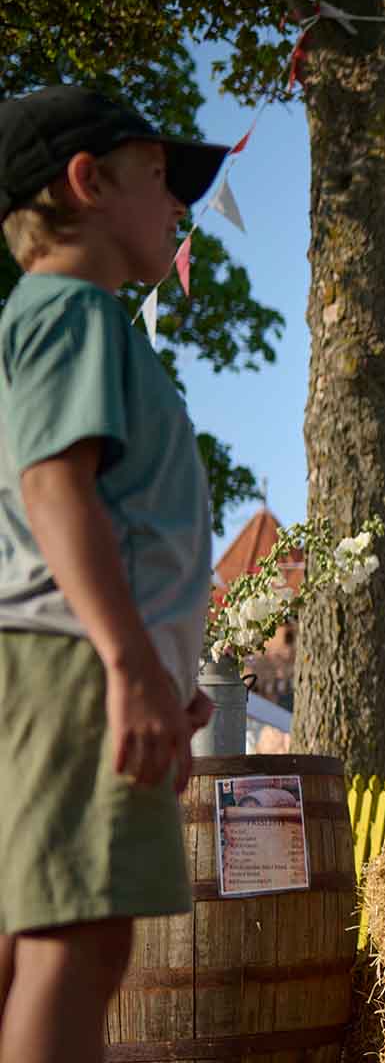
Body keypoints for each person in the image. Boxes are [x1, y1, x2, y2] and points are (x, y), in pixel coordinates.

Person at [0, 85, 227, 1062]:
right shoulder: (76, 315)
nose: (179, 204)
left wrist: (163, 672)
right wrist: (132, 666)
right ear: (89, 182)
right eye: (160, 177)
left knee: (28, 938)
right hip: (78, 666)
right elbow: (56, 491)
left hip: (65, 663)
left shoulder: (52, 323)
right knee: (80, 941)